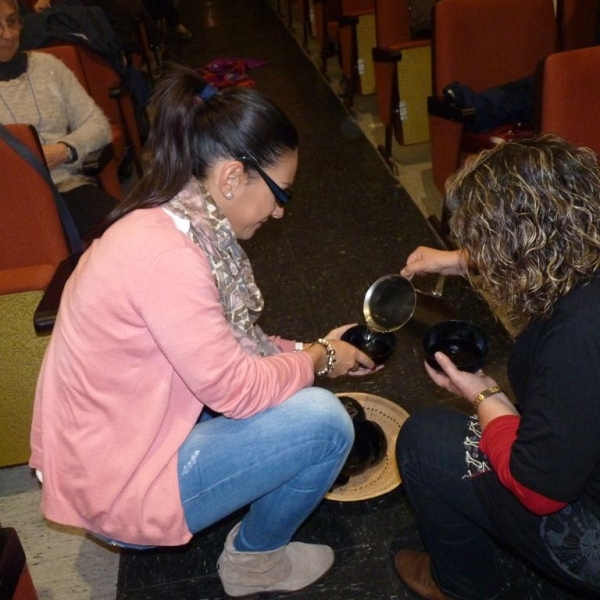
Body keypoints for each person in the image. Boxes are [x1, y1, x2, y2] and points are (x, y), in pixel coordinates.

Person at [30, 64, 377, 598]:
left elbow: (227, 348)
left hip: (109, 446)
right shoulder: (171, 258)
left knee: (289, 387)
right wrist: (319, 357)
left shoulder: (171, 219)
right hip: (119, 485)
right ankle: (254, 565)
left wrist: (314, 351)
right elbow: (238, 391)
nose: (282, 214)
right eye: (281, 194)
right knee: (325, 424)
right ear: (233, 177)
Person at [394, 135, 600, 600]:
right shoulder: (587, 248)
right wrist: (457, 261)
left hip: (586, 525)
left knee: (424, 438)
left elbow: (539, 489)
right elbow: (548, 246)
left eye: (482, 243)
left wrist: (487, 395)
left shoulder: (579, 335)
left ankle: (460, 585)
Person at [0, 0, 117, 239]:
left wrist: (63, 151)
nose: (9, 34)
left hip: (67, 186)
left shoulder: (48, 67)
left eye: (12, 21)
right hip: (13, 203)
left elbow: (98, 124)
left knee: (132, 233)